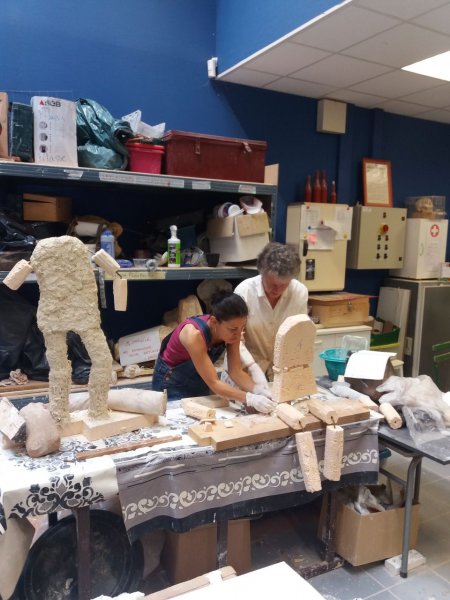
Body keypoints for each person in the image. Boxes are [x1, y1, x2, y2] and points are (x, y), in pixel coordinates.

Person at [152, 290, 276, 413]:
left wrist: (258, 390)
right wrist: (250, 399)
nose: (238, 334)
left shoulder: (233, 332)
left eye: (242, 328)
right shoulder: (193, 335)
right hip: (172, 382)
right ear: (214, 321)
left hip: (199, 380)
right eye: (233, 329)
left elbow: (236, 371)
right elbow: (214, 383)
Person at [233, 242, 308, 380]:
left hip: (282, 370)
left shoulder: (299, 292)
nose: (277, 290)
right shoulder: (244, 292)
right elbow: (235, 339)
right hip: (246, 368)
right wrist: (251, 367)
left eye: (284, 285)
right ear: (262, 273)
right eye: (272, 284)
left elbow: (299, 335)